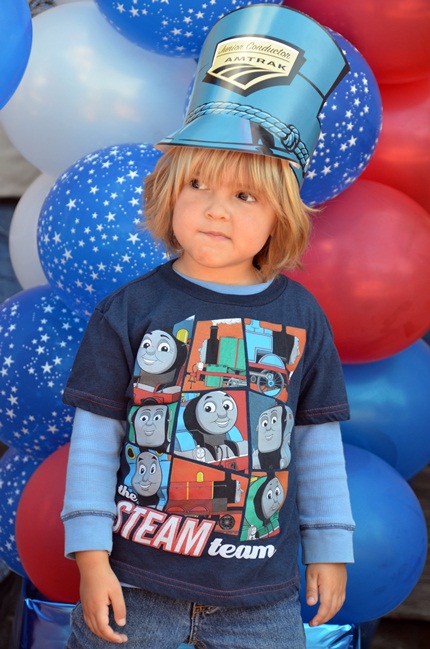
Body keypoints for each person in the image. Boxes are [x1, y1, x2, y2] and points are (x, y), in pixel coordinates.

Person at [61, 5, 355, 648]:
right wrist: (90, 557)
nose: (216, 210)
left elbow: (316, 442)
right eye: (198, 185)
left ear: (281, 214)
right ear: (169, 192)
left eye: (244, 196)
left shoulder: (302, 316)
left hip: (264, 599)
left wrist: (330, 547)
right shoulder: (131, 309)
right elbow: (95, 439)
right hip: (136, 585)